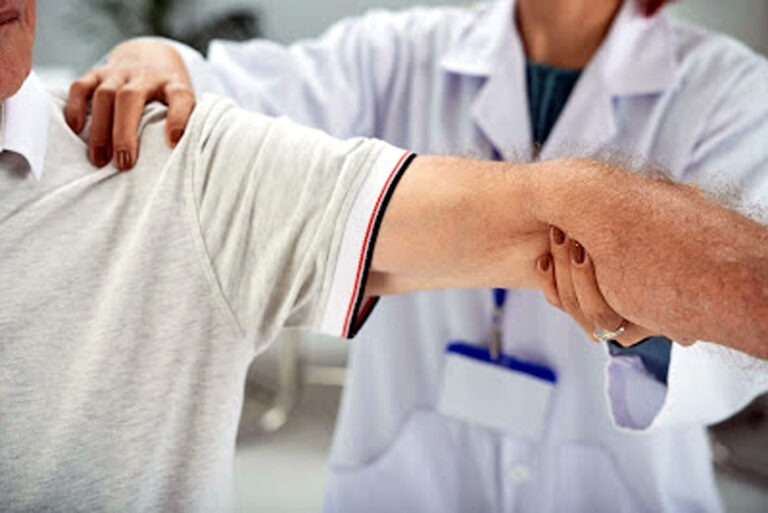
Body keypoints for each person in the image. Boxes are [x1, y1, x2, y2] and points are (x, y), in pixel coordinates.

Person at [68, 0, 768, 511]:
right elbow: (222, 112)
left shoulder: (730, 90)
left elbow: (742, 311)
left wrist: (654, 319)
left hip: (621, 484)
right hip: (407, 476)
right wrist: (158, 57)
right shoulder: (393, 52)